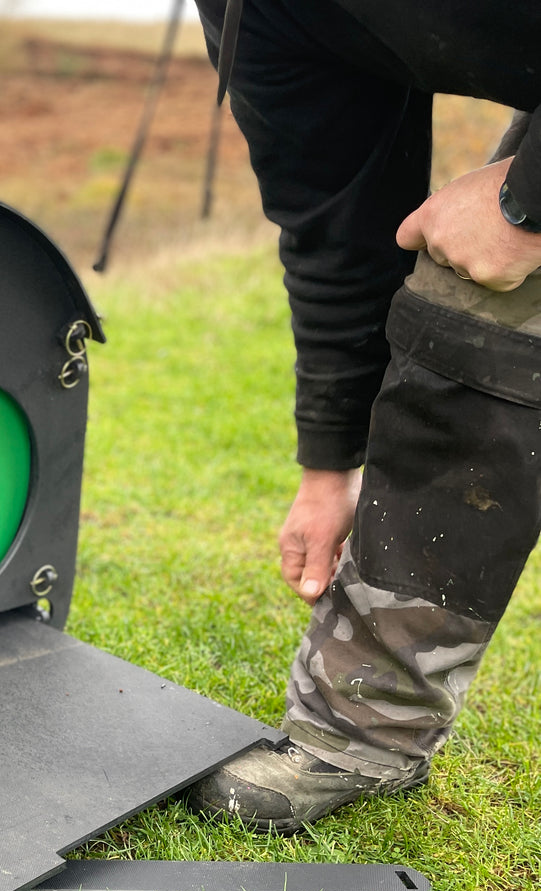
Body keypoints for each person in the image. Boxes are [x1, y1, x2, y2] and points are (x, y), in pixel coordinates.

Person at [184, 0, 541, 831]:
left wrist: (526, 205)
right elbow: (337, 230)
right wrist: (328, 463)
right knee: (476, 301)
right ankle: (363, 731)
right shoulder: (258, 14)